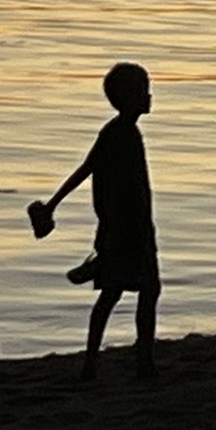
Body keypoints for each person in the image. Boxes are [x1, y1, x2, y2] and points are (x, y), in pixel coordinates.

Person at [31, 62, 161, 380]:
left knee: (124, 292)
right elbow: (88, 170)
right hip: (126, 230)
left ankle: (101, 361)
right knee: (139, 290)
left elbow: (86, 170)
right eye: (143, 90)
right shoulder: (120, 134)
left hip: (128, 228)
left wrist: (52, 206)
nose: (150, 95)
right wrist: (52, 206)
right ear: (129, 98)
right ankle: (132, 362)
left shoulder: (120, 132)